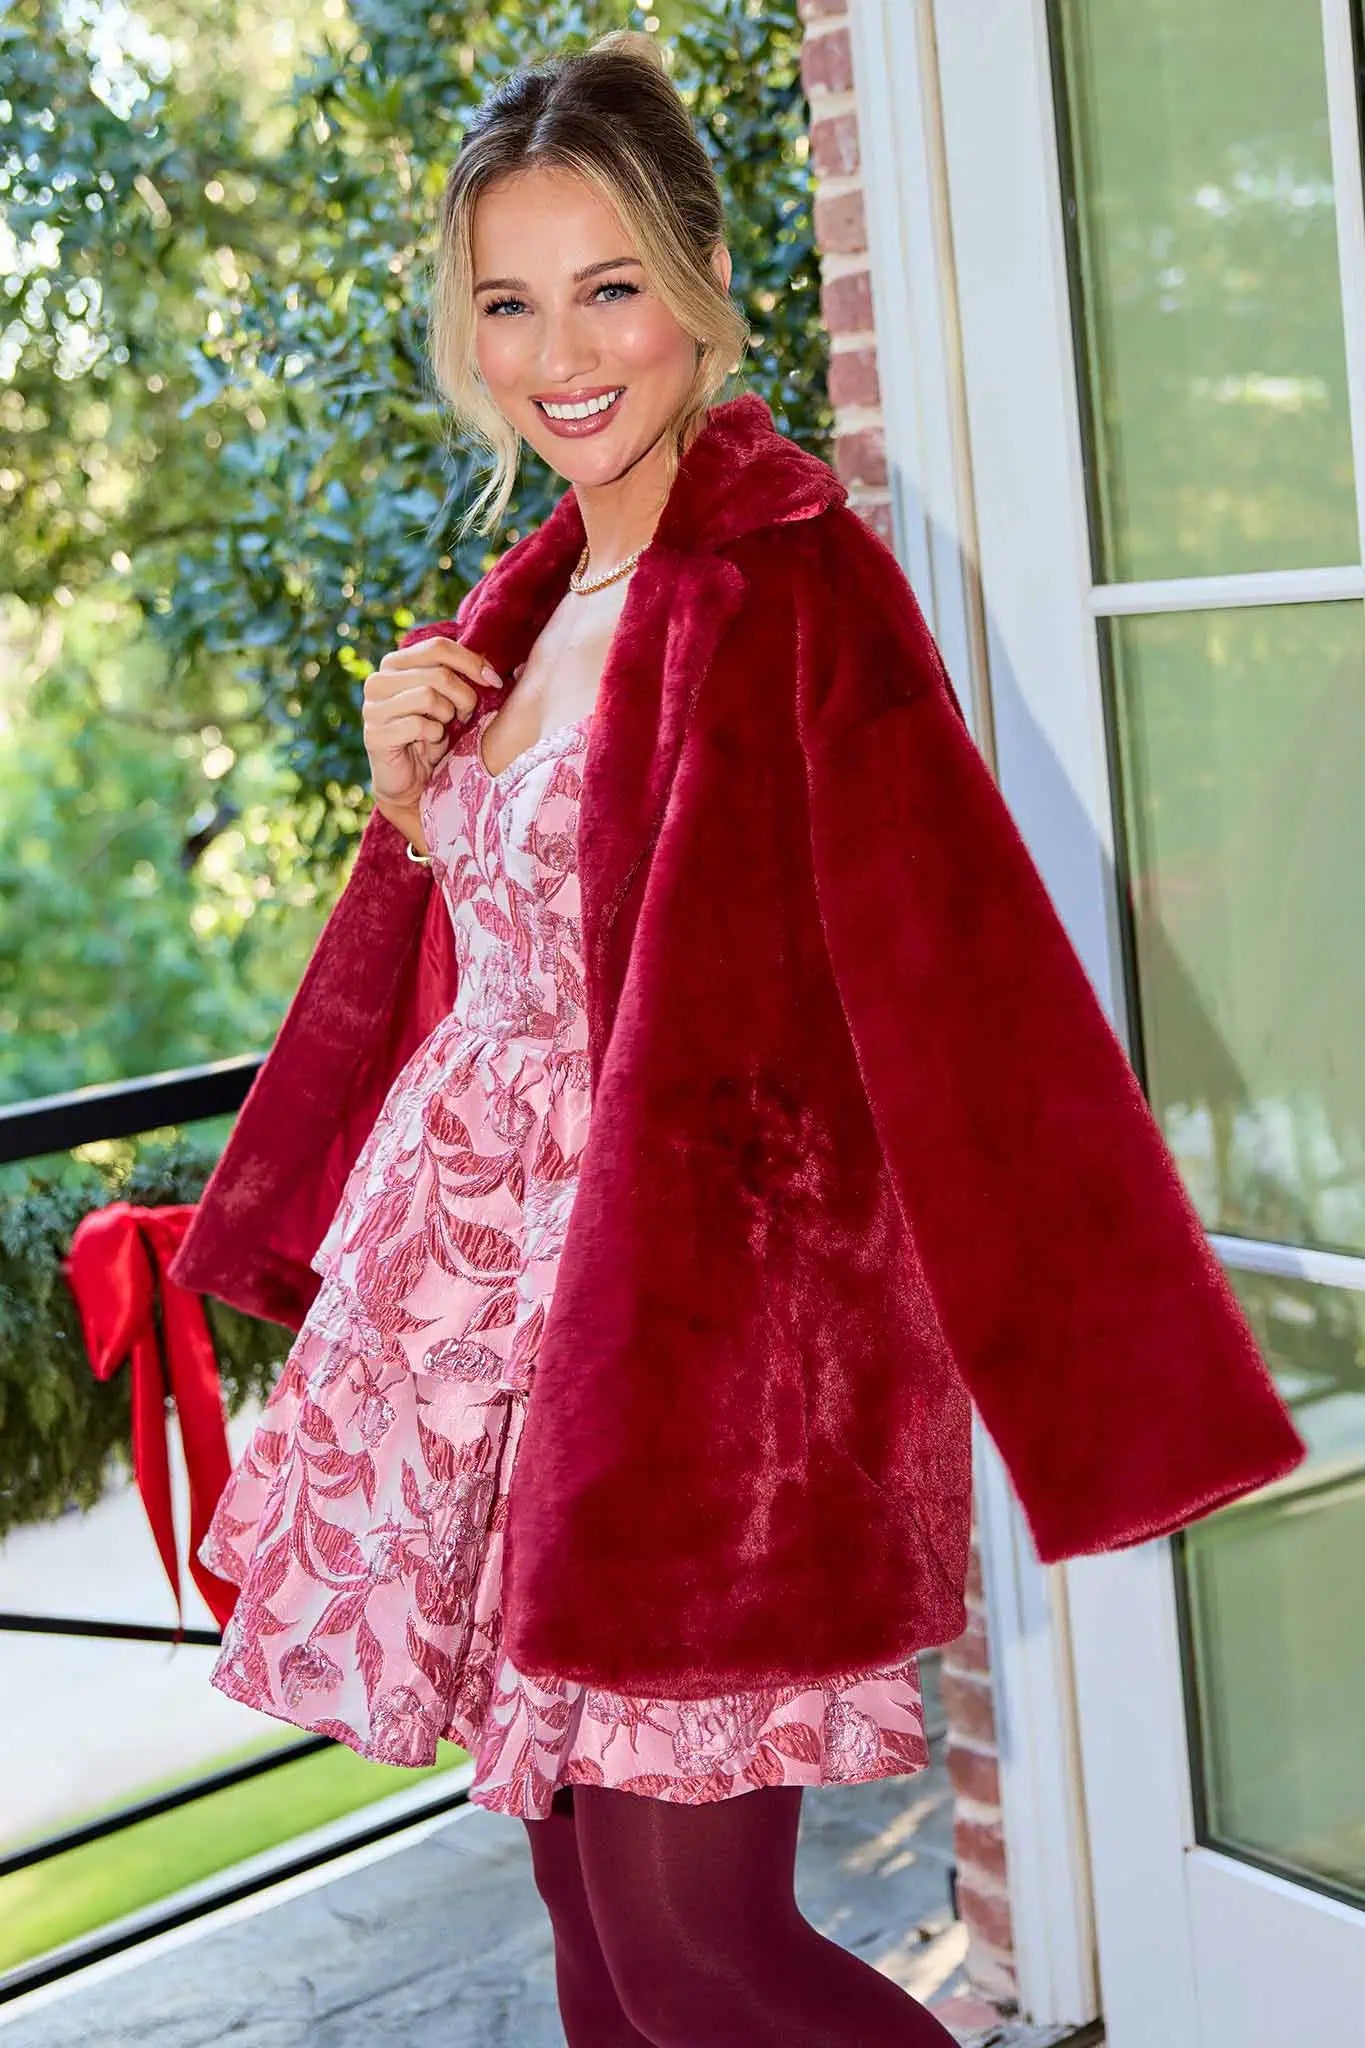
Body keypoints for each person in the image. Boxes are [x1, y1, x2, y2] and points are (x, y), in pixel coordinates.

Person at [169, 28, 1306, 2048]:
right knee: (589, 1928)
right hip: (487, 1335)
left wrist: (1108, 1378)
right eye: (508, 302)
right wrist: (416, 800)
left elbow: (960, 982)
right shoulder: (529, 605)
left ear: (700, 285)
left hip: (692, 1355)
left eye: (606, 285)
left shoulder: (787, 582)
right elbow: (523, 958)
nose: (559, 349)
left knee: (699, 1953)